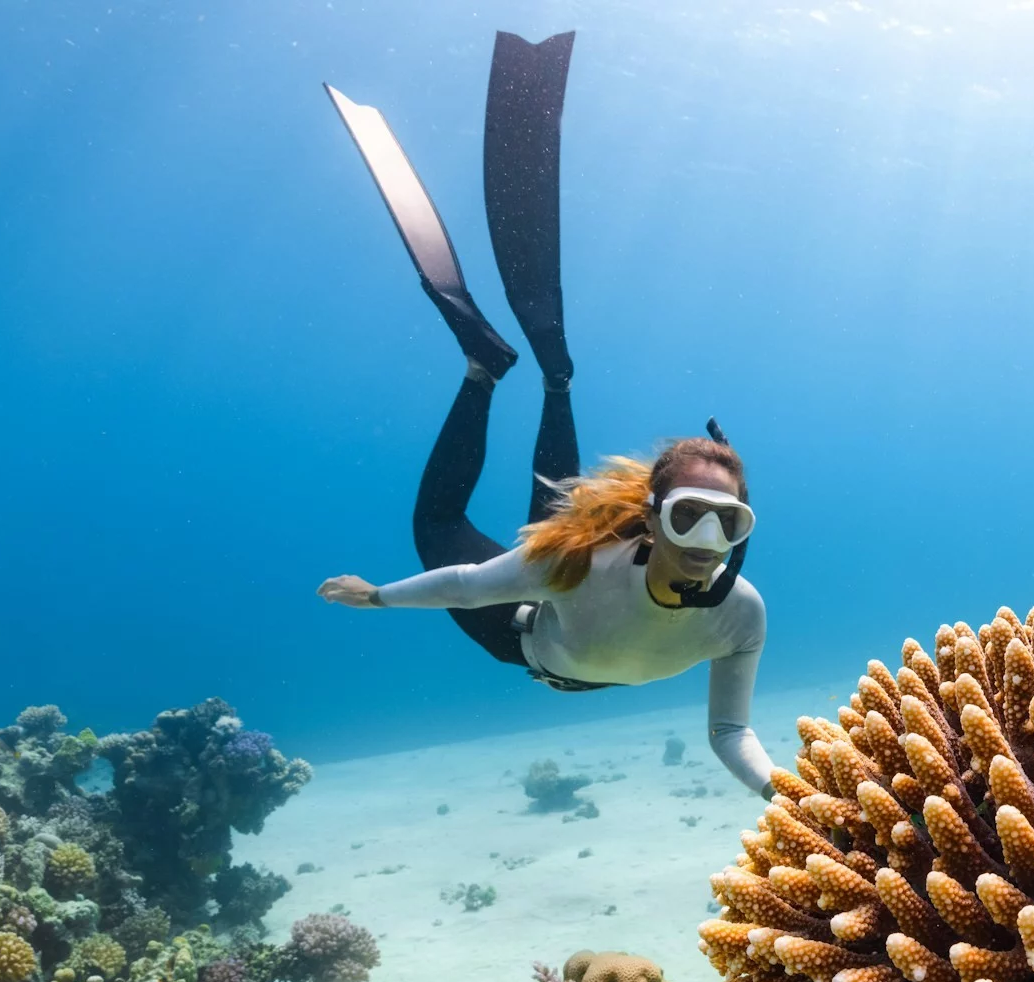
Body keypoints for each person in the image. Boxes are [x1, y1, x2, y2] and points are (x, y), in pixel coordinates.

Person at [315, 31, 776, 797]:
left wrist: (787, 797)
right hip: (522, 631)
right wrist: (381, 597)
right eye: (691, 515)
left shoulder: (742, 613)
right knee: (448, 525)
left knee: (557, 516)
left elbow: (730, 732)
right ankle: (493, 374)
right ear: (655, 514)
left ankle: (532, 375)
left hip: (560, 638)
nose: (709, 542)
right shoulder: (579, 562)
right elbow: (465, 584)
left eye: (730, 524)